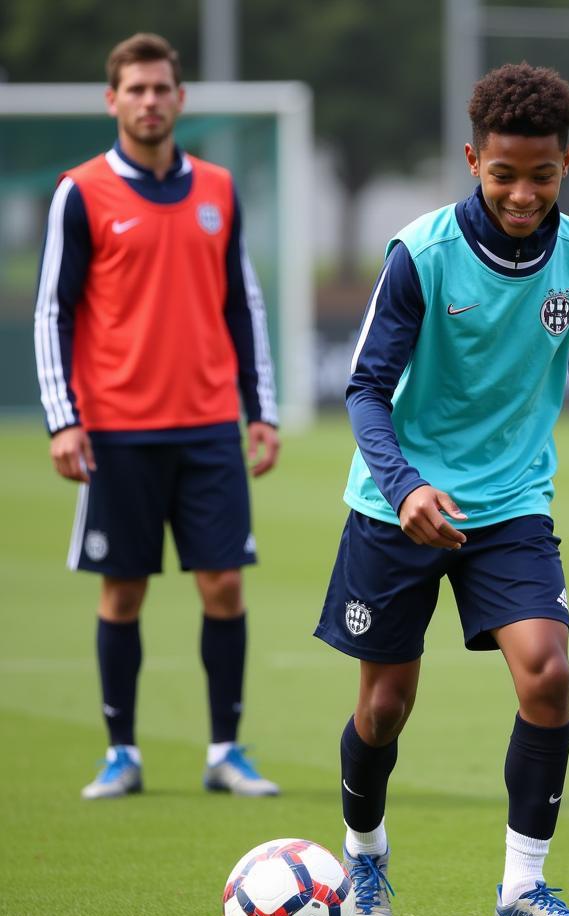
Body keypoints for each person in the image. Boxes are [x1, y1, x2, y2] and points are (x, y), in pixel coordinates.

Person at [314, 62, 569, 916]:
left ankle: (524, 888)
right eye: (504, 174)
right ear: (473, 160)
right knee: (384, 708)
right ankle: (364, 853)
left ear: (566, 164)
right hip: (397, 507)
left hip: (510, 504)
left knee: (548, 672)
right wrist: (406, 486)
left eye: (542, 174)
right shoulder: (420, 254)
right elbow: (365, 388)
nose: (523, 192)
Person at [33, 33, 282, 798]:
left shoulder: (218, 188)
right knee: (123, 592)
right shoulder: (81, 192)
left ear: (180, 99)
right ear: (113, 100)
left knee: (224, 590)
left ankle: (225, 751)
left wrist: (259, 409)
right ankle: (121, 753)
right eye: (134, 89)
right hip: (116, 429)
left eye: (160, 88)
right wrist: (62, 417)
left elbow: (244, 302)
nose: (148, 101)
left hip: (208, 426)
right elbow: (53, 310)